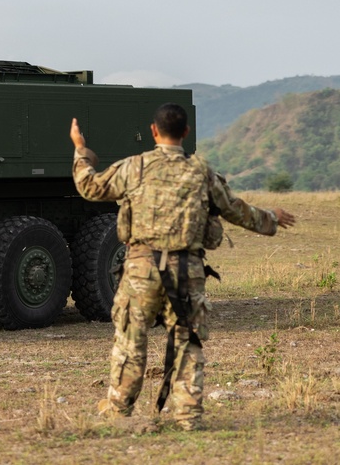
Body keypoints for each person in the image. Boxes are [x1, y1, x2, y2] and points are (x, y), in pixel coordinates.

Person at [69, 103, 295, 430]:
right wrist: (272, 219)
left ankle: (119, 411)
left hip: (140, 269)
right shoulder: (201, 171)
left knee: (131, 341)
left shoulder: (135, 167)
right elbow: (237, 210)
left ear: (153, 131)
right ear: (186, 133)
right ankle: (188, 416)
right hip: (187, 269)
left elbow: (90, 187)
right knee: (188, 341)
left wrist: (81, 151)